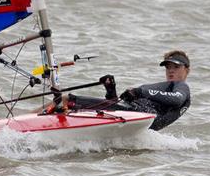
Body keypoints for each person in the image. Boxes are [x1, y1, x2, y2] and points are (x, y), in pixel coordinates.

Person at [46, 50, 191, 131]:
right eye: (168, 67)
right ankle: (38, 119)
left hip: (139, 119)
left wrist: (141, 92)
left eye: (176, 67)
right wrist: (111, 89)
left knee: (66, 100)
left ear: (187, 70)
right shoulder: (161, 88)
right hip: (130, 118)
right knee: (65, 102)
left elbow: (176, 99)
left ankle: (29, 120)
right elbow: (117, 107)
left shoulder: (181, 87)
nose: (171, 71)